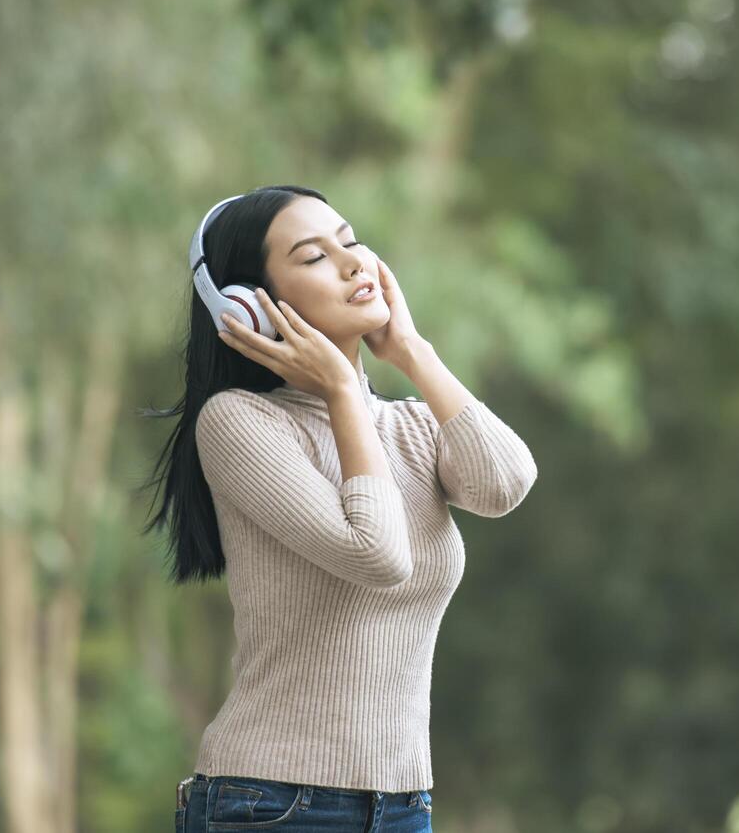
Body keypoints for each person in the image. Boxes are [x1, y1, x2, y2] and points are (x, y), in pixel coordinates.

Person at [140, 185, 539, 832]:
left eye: (350, 242)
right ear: (248, 308)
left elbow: (505, 482)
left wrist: (410, 349)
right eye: (314, 256)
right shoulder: (240, 423)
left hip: (403, 805)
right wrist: (340, 393)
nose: (353, 263)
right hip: (274, 804)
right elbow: (377, 555)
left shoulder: (408, 426)